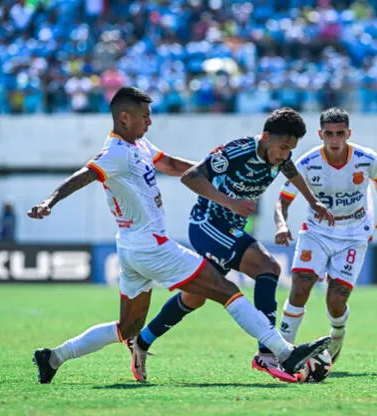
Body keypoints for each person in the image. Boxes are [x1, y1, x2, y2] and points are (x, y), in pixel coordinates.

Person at [27, 87, 330, 384]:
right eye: (145, 116)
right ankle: (282, 352)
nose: (150, 121)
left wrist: (213, 170)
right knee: (226, 290)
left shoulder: (141, 146)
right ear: (124, 118)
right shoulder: (115, 153)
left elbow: (172, 165)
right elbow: (84, 175)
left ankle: (53, 357)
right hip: (152, 247)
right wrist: (49, 202)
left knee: (128, 327)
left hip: (132, 248)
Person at [132, 108, 335, 383]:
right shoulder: (237, 151)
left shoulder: (279, 155)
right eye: (283, 147)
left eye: (291, 149)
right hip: (208, 223)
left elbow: (288, 167)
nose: (285, 153)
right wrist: (230, 203)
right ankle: (268, 353)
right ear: (265, 137)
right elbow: (190, 176)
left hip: (229, 228)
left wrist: (313, 202)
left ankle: (141, 342)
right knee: (268, 268)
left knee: (195, 296)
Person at [274, 108, 377, 364]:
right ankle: (282, 352)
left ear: (348, 133)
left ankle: (337, 334)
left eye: (340, 134)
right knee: (301, 286)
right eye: (329, 134)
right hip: (316, 231)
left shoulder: (365, 158)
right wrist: (282, 225)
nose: (335, 139)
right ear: (320, 134)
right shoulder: (306, 163)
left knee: (336, 301)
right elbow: (282, 201)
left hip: (353, 232)